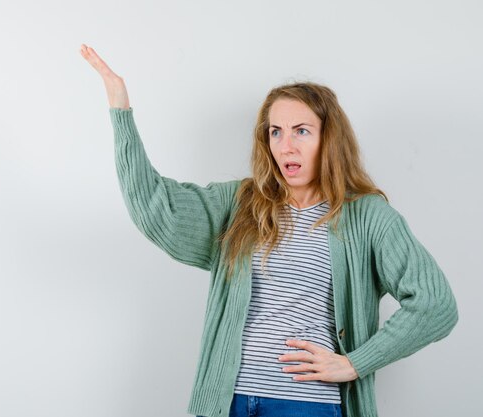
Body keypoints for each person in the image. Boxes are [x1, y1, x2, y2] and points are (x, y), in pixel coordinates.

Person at [79, 44, 459, 417]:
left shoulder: (367, 217)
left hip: (306, 404)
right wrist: (120, 109)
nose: (285, 145)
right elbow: (154, 207)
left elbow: (435, 304)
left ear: (329, 139)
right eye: (275, 132)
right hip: (229, 401)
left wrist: (355, 363)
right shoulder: (242, 204)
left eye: (301, 131)